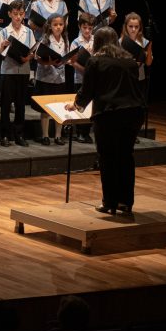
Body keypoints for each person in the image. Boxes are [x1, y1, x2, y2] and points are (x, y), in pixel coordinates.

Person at [65, 26, 144, 214]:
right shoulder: (130, 61)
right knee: (126, 156)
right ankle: (126, 203)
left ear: (98, 42)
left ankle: (109, 202)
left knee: (107, 158)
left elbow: (88, 90)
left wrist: (76, 105)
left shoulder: (95, 61)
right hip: (134, 113)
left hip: (109, 115)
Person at [0, 0, 33, 147]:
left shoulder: (28, 31)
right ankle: (4, 134)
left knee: (20, 104)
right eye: (15, 14)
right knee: (6, 104)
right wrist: (3, 46)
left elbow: (32, 51)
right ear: (9, 14)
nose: (18, 17)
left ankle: (19, 134)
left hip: (23, 71)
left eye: (21, 14)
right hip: (8, 71)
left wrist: (28, 57)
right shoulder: (4, 32)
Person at [33, 14, 69, 145]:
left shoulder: (65, 39)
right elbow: (37, 57)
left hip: (60, 78)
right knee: (45, 109)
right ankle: (45, 135)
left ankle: (58, 136)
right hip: (46, 78)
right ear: (50, 26)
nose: (58, 27)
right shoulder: (45, 39)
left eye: (61, 24)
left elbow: (65, 56)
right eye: (55, 25)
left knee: (59, 108)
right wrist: (48, 62)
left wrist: (68, 60)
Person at [70, 12, 95, 143]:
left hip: (93, 80)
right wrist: (87, 70)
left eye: (90, 28)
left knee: (90, 106)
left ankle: (86, 132)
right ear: (80, 27)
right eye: (84, 27)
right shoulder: (75, 42)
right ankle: (79, 132)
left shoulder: (95, 40)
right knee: (80, 104)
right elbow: (73, 63)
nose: (87, 31)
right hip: (80, 79)